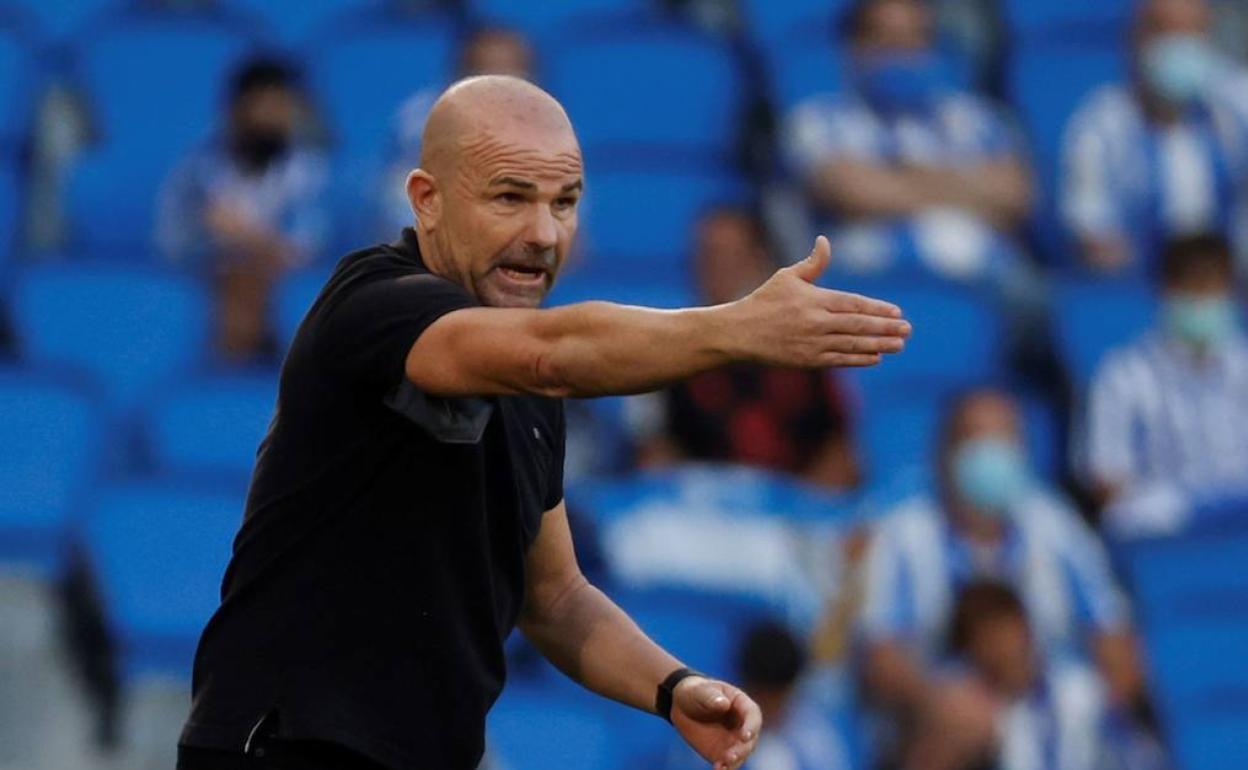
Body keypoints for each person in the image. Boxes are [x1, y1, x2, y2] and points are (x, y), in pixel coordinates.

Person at [176, 76, 912, 770]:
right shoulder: (373, 303)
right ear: (426, 200)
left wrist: (671, 686)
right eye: (510, 197)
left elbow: (554, 597)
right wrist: (736, 329)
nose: (543, 233)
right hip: (285, 744)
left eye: (565, 203)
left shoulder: (533, 384)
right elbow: (549, 356)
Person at [857, 389, 1141, 737]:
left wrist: (1102, 710)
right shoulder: (903, 537)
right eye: (978, 442)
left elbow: (1112, 634)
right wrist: (938, 701)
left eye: (1004, 440)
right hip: (947, 719)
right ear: (945, 454)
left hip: (1052, 710)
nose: (993, 455)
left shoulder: (1055, 525)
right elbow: (879, 658)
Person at [782, 0, 1032, 286]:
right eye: (885, 39)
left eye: (912, 38)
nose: (900, 52)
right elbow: (852, 192)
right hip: (866, 281)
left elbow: (1014, 196)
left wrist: (896, 178)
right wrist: (967, 186)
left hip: (987, 280)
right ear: (854, 47)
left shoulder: (976, 118)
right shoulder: (818, 119)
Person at [630, 206, 861, 490]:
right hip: (704, 512)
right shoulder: (663, 350)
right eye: (709, 257)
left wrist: (799, 510)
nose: (719, 270)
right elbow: (655, 456)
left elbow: (839, 454)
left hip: (795, 515)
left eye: (732, 258)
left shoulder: (806, 343)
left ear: (759, 260)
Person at [156, 57, 329, 360]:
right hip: (213, 278)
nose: (273, 120)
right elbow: (171, 244)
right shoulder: (197, 170)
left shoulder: (310, 172)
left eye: (282, 108)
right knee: (233, 278)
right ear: (236, 110)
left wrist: (245, 235)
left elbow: (304, 252)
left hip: (277, 285)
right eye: (263, 107)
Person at [1061, 0, 1248, 275]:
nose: (1182, 44)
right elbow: (1094, 236)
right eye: (1168, 31)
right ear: (1137, 39)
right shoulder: (1099, 127)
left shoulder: (1235, 107)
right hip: (1141, 291)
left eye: (1194, 31)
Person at [1080, 233, 1248, 537]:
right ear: (1166, 293)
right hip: (1168, 529)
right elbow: (1107, 482)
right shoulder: (1123, 374)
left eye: (1215, 288)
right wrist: (1186, 508)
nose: (1205, 299)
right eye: (1194, 288)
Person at [374, 26, 535, 236]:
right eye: (487, 71)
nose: (501, 84)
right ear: (461, 75)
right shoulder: (421, 126)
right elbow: (399, 225)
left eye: (513, 72)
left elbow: (571, 241)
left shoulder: (549, 128)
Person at [945, 582, 1111, 770]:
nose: (998, 648)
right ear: (971, 650)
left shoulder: (1081, 691)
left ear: (1025, 628)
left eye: (1003, 632)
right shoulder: (969, 712)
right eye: (984, 638)